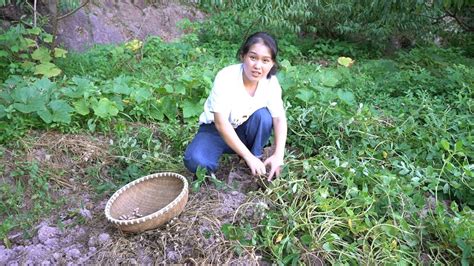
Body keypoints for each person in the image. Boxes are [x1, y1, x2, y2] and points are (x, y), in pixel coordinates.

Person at [183, 32, 287, 181]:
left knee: (263, 117)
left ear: (272, 64)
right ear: (242, 56)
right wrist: (248, 156)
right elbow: (221, 123)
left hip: (244, 129)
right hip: (215, 131)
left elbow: (279, 119)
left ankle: (254, 156)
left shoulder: (271, 83)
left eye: (265, 60)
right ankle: (242, 160)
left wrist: (279, 155)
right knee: (195, 160)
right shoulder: (226, 77)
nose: (258, 66)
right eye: (253, 58)